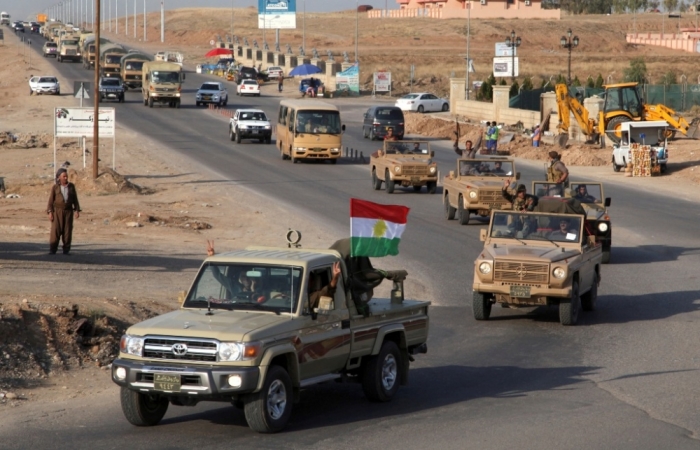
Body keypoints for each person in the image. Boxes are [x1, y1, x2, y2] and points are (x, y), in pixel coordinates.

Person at [47, 168, 81, 255]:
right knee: (56, 231)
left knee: (67, 231)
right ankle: (52, 249)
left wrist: (76, 210)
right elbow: (51, 201)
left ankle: (66, 250)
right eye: (64, 176)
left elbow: (75, 199)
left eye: (66, 176)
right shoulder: (55, 187)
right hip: (57, 211)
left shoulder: (71, 187)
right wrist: (50, 212)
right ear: (59, 177)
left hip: (68, 211)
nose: (66, 178)